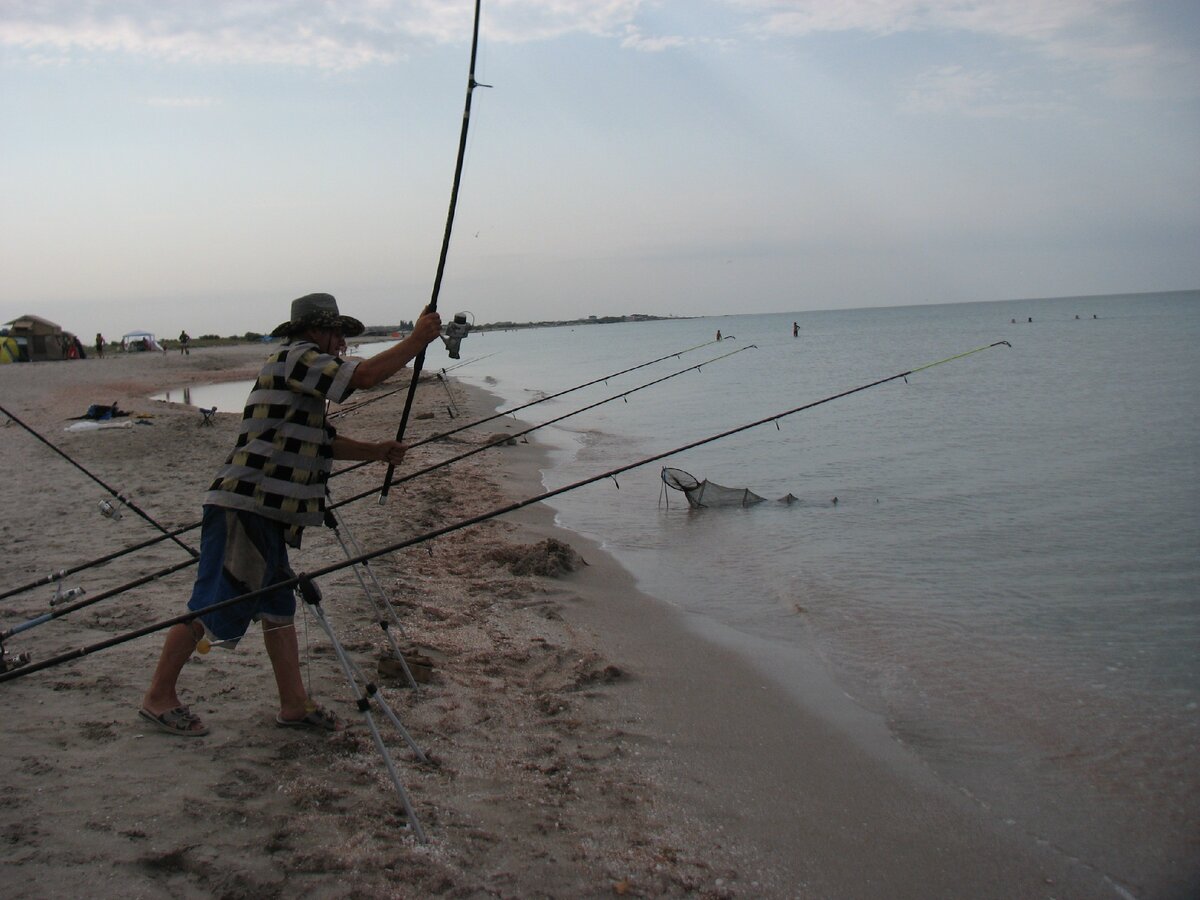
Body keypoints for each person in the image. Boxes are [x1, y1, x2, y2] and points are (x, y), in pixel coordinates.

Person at [140, 292, 442, 737]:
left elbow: (322, 442)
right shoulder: (297, 357)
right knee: (215, 601)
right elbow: (365, 377)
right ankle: (158, 697)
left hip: (267, 514)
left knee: (279, 606)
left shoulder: (301, 371)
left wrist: (376, 453)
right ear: (314, 331)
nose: (341, 342)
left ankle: (294, 705)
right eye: (337, 332)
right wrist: (417, 339)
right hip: (246, 506)